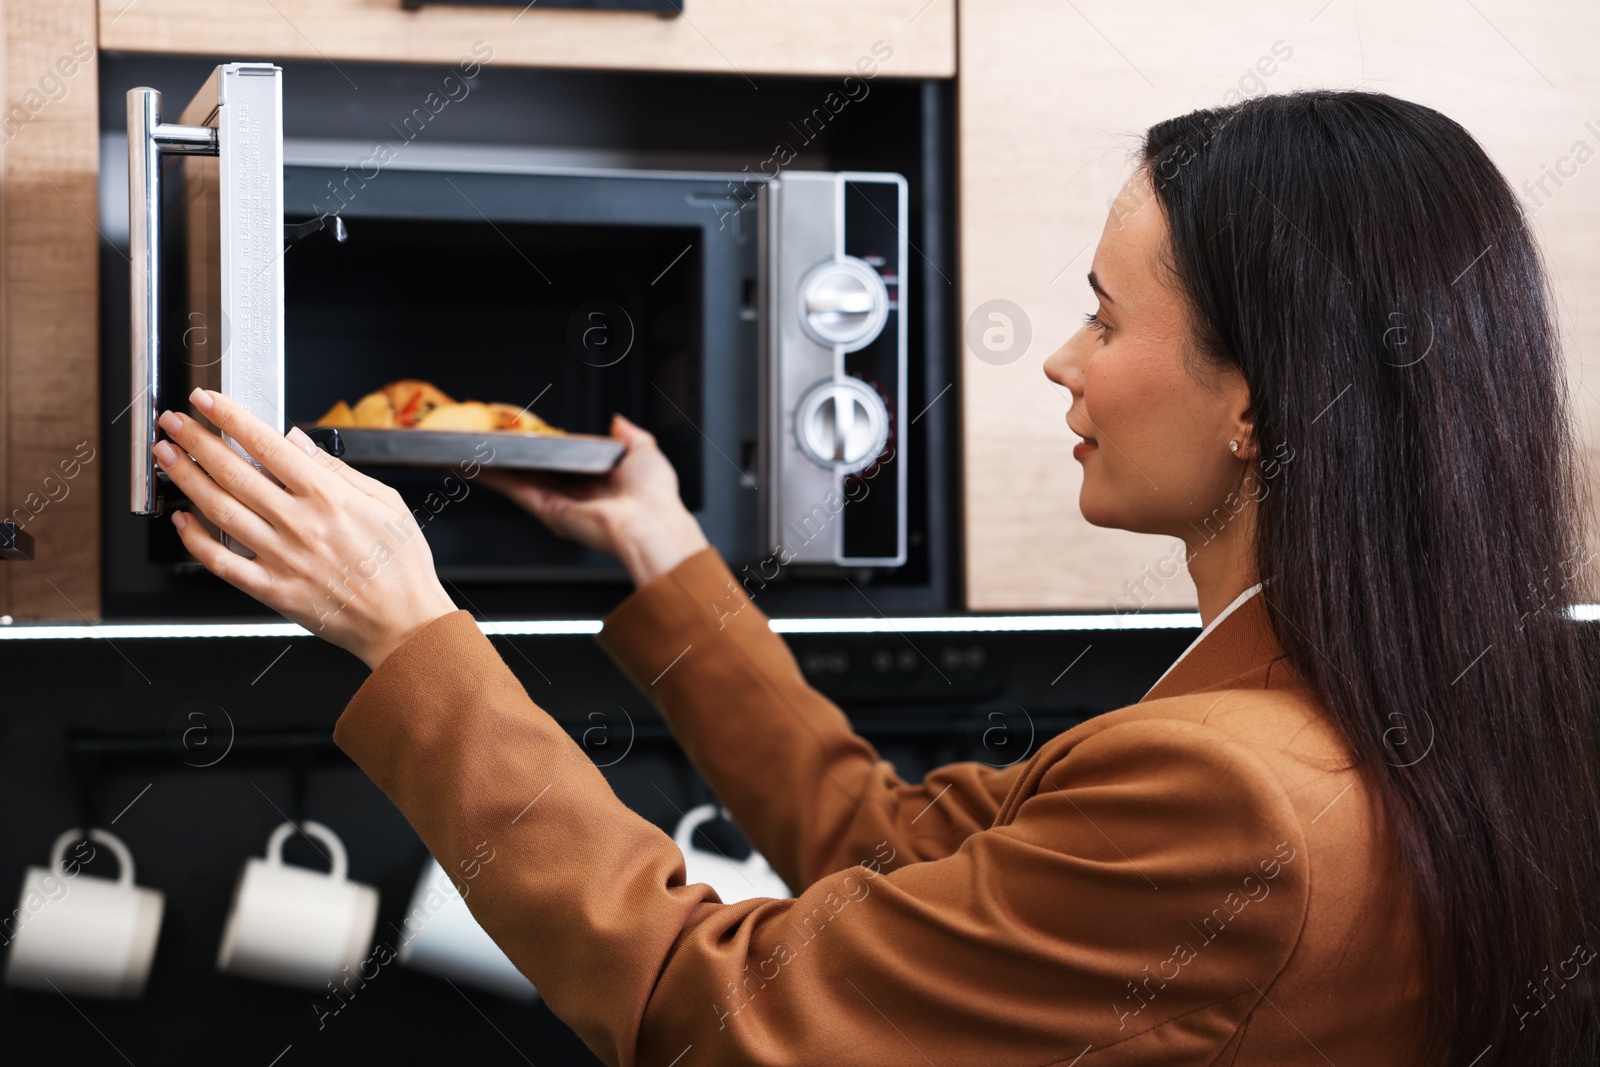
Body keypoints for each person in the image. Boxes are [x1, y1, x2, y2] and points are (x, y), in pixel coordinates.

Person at [151, 89, 1600, 1066]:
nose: (1059, 358)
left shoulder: (1239, 798)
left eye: (1105, 317)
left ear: (1261, 404)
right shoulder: (1385, 705)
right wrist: (665, 551)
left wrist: (412, 631)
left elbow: (703, 1006)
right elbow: (896, 853)